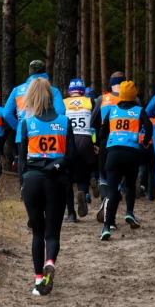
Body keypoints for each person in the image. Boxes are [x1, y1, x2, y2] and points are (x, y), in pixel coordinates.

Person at [19, 78, 75, 296]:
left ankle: (38, 281)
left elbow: (22, 159)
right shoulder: (64, 122)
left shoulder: (27, 123)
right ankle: (50, 261)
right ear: (51, 96)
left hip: (32, 180)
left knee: (37, 233)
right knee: (52, 234)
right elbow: (71, 156)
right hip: (56, 181)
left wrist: (22, 185)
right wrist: (56, 165)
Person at [98, 81, 153, 240]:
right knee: (129, 185)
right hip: (131, 153)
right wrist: (145, 141)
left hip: (113, 153)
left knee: (111, 190)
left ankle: (107, 226)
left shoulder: (112, 111)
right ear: (134, 96)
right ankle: (129, 213)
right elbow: (149, 126)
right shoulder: (139, 111)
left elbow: (102, 134)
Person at [3, 60, 66, 193]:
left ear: (30, 72)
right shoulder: (52, 90)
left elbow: (6, 113)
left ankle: (24, 188)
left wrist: (18, 126)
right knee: (47, 159)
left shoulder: (17, 90)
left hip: (24, 132)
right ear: (44, 72)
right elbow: (61, 111)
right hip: (47, 132)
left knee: (23, 160)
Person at [63, 79, 100, 222]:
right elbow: (95, 126)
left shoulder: (64, 103)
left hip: (69, 140)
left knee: (67, 178)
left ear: (69, 91)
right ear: (83, 91)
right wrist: (95, 143)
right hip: (86, 140)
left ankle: (71, 214)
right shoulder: (91, 102)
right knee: (83, 174)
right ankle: (83, 192)